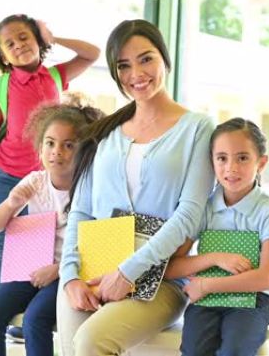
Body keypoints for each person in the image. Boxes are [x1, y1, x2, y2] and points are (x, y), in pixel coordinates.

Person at [57, 19, 215, 356]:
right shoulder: (104, 132)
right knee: (70, 348)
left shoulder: (198, 128)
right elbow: (81, 210)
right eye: (123, 66)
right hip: (91, 270)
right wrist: (69, 275)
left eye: (146, 59)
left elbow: (189, 215)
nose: (136, 74)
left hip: (160, 280)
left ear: (164, 58)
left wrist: (127, 272)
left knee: (89, 343)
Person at [0, 14, 100, 292]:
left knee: (41, 243)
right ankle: (3, 309)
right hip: (3, 176)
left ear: (38, 40)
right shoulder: (2, 85)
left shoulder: (55, 75)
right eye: (10, 44)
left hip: (43, 180)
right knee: (4, 242)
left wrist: (54, 37)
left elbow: (92, 53)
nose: (18, 45)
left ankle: (29, 312)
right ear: (3, 56)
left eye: (24, 37)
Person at [0, 100, 104, 356]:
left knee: (35, 319)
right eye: (50, 143)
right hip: (33, 273)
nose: (57, 151)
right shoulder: (35, 182)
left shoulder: (92, 188)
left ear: (84, 151)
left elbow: (100, 248)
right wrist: (12, 203)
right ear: (40, 148)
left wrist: (58, 270)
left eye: (69, 145)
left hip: (71, 275)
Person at [165, 118, 269, 356]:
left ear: (261, 163)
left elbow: (265, 277)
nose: (231, 168)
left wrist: (208, 284)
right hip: (206, 300)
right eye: (222, 158)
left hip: (252, 299)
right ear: (212, 162)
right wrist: (215, 258)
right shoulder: (203, 208)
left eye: (242, 158)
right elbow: (171, 268)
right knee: (193, 350)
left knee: (234, 351)